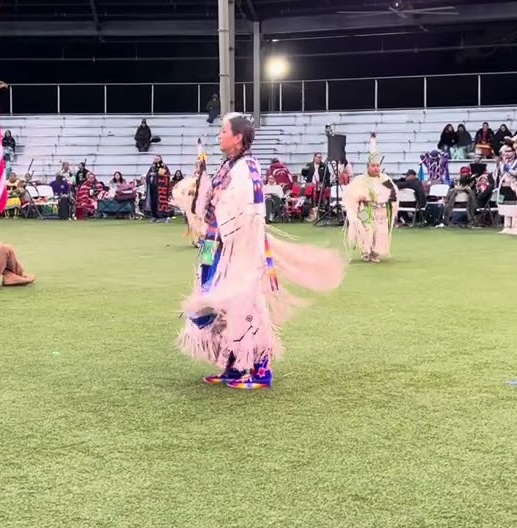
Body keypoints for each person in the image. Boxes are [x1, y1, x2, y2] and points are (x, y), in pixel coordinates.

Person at [172, 113, 345, 390]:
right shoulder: (228, 167)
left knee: (245, 304)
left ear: (237, 137)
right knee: (214, 304)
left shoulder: (247, 167)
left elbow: (250, 212)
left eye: (223, 131)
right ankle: (233, 364)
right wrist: (199, 189)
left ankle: (260, 368)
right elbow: (212, 204)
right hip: (215, 247)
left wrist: (217, 211)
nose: (219, 136)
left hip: (239, 249)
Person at [342, 134, 397, 262]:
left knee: (380, 232)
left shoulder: (385, 179)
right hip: (364, 210)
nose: (376, 168)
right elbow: (352, 195)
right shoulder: (360, 180)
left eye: (377, 166)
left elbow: (393, 195)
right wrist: (361, 198)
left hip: (381, 211)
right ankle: (365, 251)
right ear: (368, 167)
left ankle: (375, 253)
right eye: (373, 166)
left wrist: (388, 200)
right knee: (367, 229)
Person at [497, 145, 517, 235]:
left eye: (509, 151)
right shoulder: (503, 162)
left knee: (514, 206)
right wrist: (504, 164)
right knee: (505, 205)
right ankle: (506, 226)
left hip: (514, 185)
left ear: (514, 152)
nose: (507, 153)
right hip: (504, 185)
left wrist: (509, 169)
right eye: (506, 151)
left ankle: (515, 227)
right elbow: (501, 173)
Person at [144, 155, 172, 222]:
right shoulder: (152, 167)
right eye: (155, 159)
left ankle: (163, 217)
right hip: (152, 187)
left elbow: (167, 176)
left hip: (161, 188)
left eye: (158, 159)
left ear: (160, 159)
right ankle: (154, 216)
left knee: (161, 202)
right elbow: (147, 176)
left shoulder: (164, 167)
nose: (156, 160)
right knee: (153, 202)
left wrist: (157, 175)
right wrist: (150, 175)